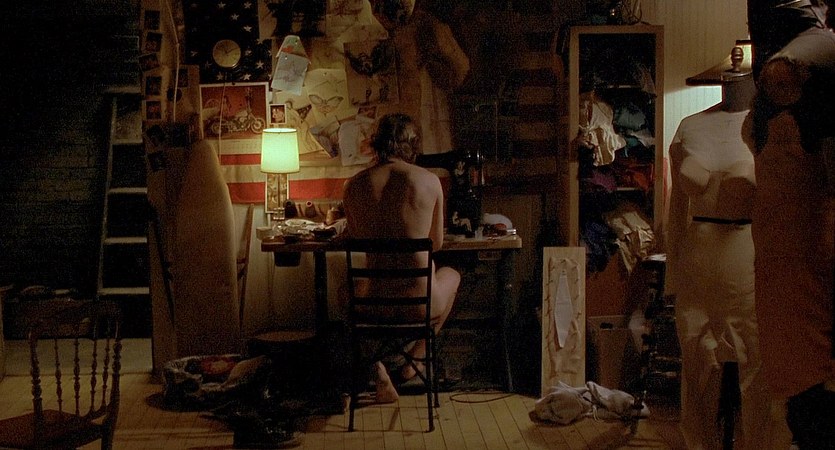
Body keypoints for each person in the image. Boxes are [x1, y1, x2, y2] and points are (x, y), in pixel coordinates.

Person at [666, 59, 771, 449]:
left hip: (747, 259)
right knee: (696, 364)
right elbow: (676, 212)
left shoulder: (768, 128)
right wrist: (672, 274)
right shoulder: (690, 127)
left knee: (755, 370)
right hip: (697, 257)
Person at [745, 0, 835, 447]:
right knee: (807, 415)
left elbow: (785, 71)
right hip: (789, 286)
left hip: (805, 284)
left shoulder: (810, 61)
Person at [342, 113, 461, 403]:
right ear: (412, 144)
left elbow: (355, 237)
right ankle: (416, 360)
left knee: (345, 291)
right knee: (452, 275)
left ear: (376, 143)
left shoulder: (353, 185)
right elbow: (436, 243)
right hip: (420, 305)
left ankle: (379, 373)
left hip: (375, 305)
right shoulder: (429, 181)